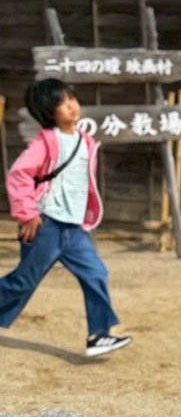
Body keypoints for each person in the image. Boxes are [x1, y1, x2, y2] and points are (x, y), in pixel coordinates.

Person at [1, 78, 132, 357]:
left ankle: (99, 335)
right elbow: (19, 174)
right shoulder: (46, 143)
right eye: (61, 102)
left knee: (96, 273)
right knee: (23, 282)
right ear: (49, 112)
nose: (71, 105)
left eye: (72, 98)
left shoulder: (85, 141)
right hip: (45, 224)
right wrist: (27, 213)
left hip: (73, 228)